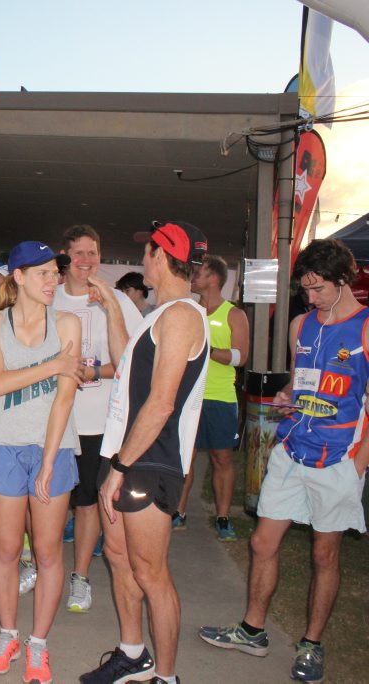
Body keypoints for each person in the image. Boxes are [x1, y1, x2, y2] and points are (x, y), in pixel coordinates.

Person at [199, 239, 369, 684]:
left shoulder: (366, 327)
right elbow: (299, 383)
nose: (310, 298)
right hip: (292, 449)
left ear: (343, 280)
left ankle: (311, 645)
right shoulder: (300, 325)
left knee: (324, 552)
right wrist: (287, 396)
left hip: (338, 458)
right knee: (261, 543)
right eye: (305, 290)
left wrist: (358, 464)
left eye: (318, 289)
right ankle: (253, 630)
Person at [80, 220, 210, 684]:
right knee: (119, 559)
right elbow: (127, 361)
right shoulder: (159, 314)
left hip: (149, 461)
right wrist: (111, 305)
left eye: (147, 251)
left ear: (160, 256)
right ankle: (133, 654)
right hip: (128, 454)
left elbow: (161, 403)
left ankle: (167, 677)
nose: (142, 260)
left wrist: (119, 466)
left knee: (152, 573)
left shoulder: (181, 316)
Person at [0, 241, 82, 682]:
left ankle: (37, 645)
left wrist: (48, 462)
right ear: (17, 276)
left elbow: (65, 397)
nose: (53, 280)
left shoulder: (69, 323)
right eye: (42, 273)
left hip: (53, 448)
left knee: (46, 551)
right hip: (3, 445)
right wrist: (55, 364)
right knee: (4, 549)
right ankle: (7, 635)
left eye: (55, 272)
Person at [54, 224, 142, 614]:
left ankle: (81, 577)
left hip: (97, 422)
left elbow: (134, 359)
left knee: (87, 502)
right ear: (66, 256)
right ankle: (40, 566)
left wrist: (94, 373)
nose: (86, 261)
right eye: (79, 253)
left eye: (92, 253)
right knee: (47, 500)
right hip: (54, 420)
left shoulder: (117, 299)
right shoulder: (48, 297)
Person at [173, 255, 249, 539]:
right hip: (188, 397)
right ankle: (178, 512)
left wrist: (208, 350)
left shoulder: (233, 314)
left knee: (221, 459)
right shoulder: (187, 310)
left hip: (219, 398)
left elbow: (242, 357)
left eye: (198, 273)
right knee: (184, 459)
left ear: (214, 278)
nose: (192, 276)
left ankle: (223, 517)